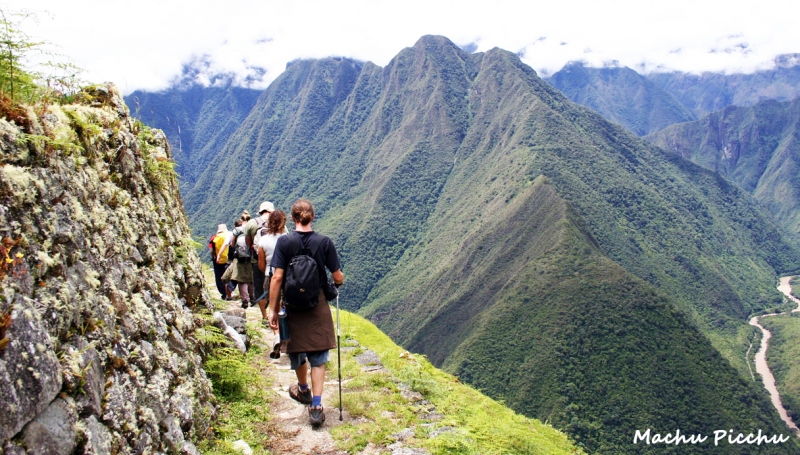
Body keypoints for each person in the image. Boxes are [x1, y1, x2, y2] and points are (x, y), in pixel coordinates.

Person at [269, 199, 343, 427]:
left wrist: (272, 309)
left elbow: (277, 277)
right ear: (313, 217)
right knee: (318, 356)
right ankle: (317, 407)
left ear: (292, 218)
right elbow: (337, 276)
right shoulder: (324, 242)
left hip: (292, 304)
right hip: (316, 303)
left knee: (297, 349)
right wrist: (336, 284)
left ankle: (303, 389)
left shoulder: (284, 242)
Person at [257, 210, 287, 357]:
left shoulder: (262, 241)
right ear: (283, 222)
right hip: (287, 277)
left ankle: (277, 335)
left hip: (270, 276)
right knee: (286, 306)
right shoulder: (288, 239)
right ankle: (287, 336)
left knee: (274, 307)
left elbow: (261, 265)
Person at [246, 201, 274, 313]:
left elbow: (248, 242)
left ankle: (264, 316)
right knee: (276, 287)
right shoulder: (278, 222)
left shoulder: (252, 223)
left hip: (257, 260)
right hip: (275, 262)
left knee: (259, 287)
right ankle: (275, 313)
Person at [222, 219, 254, 308]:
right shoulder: (251, 229)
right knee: (250, 279)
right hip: (250, 258)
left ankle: (245, 300)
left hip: (239, 259)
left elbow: (232, 244)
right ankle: (252, 297)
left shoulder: (236, 231)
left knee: (241, 280)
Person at [208, 223, 232, 300]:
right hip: (228, 259)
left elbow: (212, 250)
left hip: (217, 260)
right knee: (228, 276)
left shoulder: (214, 238)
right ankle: (229, 293)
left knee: (219, 277)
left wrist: (213, 257)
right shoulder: (229, 236)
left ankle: (223, 294)